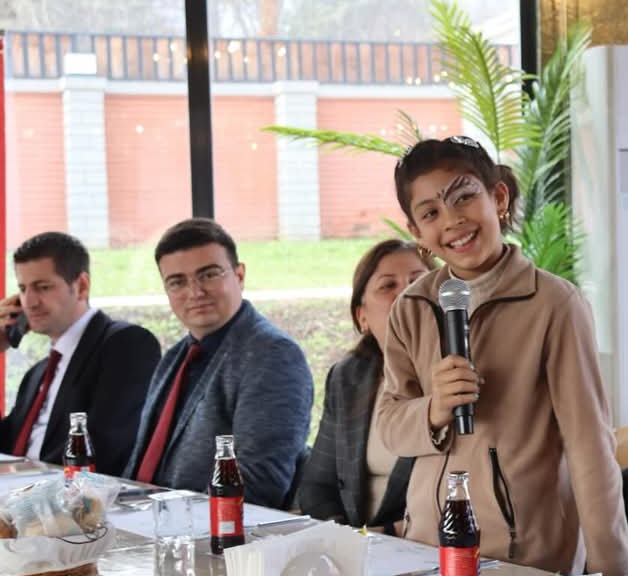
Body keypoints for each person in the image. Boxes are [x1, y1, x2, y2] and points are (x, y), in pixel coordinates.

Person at [376, 136, 628, 576]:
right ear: (417, 232)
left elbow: (589, 446)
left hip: (523, 559)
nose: (453, 220)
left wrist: (614, 575)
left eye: (464, 197)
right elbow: (389, 424)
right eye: (431, 213)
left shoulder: (554, 304)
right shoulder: (412, 307)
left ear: (498, 197)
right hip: (428, 551)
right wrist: (435, 409)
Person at [123, 218, 312, 509]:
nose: (195, 292)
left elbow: (258, 483)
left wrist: (169, 521)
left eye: (209, 275)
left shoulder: (273, 355)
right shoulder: (176, 356)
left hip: (206, 529)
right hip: (142, 519)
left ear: (239, 275)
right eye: (177, 282)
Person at [0, 232, 160, 475]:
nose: (29, 302)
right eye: (23, 289)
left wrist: (21, 478)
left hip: (70, 493)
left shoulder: (125, 344)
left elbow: (102, 448)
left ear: (82, 286)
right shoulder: (37, 374)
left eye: (43, 287)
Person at [298, 239, 431, 529]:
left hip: (424, 545)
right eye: (388, 286)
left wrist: (384, 536)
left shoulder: (455, 377)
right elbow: (316, 486)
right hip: (354, 543)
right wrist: (345, 537)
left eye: (418, 281)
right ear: (363, 317)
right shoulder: (348, 376)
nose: (406, 294)